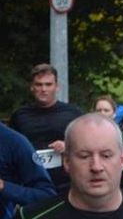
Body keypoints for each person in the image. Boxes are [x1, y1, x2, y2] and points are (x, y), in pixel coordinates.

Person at [10, 64, 82, 192]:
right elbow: (11, 148)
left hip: (66, 184)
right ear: (32, 87)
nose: (44, 89)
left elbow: (87, 143)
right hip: (31, 184)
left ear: (57, 87)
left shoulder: (73, 113)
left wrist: (68, 146)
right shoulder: (20, 116)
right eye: (39, 85)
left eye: (48, 84)